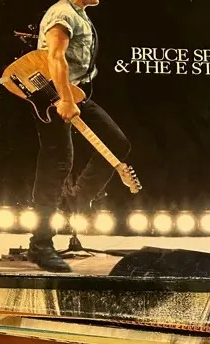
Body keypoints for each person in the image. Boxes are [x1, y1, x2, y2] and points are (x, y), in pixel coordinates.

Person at [27, 0, 130, 272]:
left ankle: (75, 200)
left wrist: (70, 96)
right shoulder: (62, 12)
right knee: (58, 162)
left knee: (117, 143)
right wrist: (64, 99)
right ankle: (40, 244)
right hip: (52, 93)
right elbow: (55, 56)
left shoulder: (78, 13)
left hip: (74, 91)